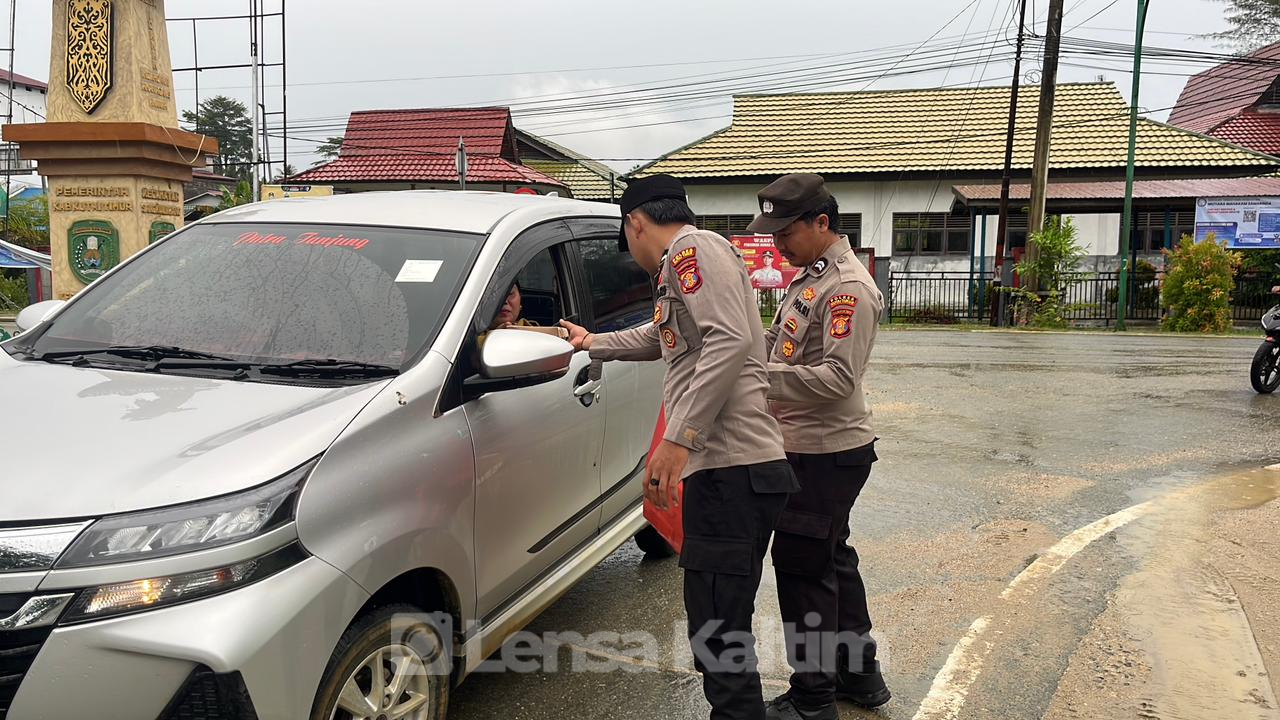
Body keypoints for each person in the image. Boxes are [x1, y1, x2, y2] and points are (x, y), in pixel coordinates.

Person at [560, 174, 798, 720]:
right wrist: (591, 341)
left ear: (635, 224)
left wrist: (677, 438)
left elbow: (730, 339)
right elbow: (661, 337)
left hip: (734, 470)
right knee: (716, 624)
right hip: (736, 472)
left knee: (718, 629)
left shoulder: (692, 252)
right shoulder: (684, 265)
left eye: (630, 241)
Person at [746, 174, 890, 720]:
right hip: (810, 447)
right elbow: (788, 350)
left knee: (803, 568)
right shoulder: (811, 278)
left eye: (785, 231)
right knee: (832, 560)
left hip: (824, 452)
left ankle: (812, 698)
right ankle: (860, 677)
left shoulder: (847, 287)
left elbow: (836, 377)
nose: (777, 243)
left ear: (821, 223)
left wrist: (757, 375)